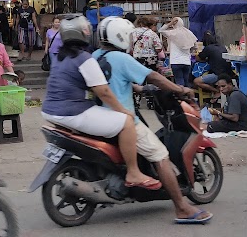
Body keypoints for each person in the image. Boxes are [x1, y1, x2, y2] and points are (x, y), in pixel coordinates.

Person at [91, 17, 212, 224]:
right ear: (119, 37)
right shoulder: (122, 59)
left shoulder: (95, 57)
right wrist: (180, 88)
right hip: (123, 120)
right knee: (161, 155)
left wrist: (138, 88)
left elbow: (113, 83)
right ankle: (182, 208)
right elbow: (154, 77)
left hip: (99, 117)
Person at [41, 14, 162, 191]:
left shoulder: (61, 57)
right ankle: (133, 172)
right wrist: (123, 110)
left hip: (50, 111)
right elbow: (103, 91)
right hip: (73, 112)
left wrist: (135, 89)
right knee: (127, 122)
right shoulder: (84, 58)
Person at [160, 17, 196, 87]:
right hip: (187, 61)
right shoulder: (188, 33)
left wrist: (170, 23)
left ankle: (182, 96)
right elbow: (194, 46)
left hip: (175, 61)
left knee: (179, 81)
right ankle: (188, 95)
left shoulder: (172, 33)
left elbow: (160, 30)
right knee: (186, 81)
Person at [194, 32, 231, 97]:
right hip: (228, 73)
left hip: (217, 74)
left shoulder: (208, 48)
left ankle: (216, 91)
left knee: (196, 81)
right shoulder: (223, 47)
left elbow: (199, 58)